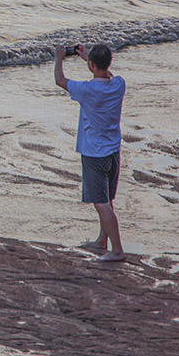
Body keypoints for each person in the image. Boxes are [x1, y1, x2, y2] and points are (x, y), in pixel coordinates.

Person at [54, 43, 126, 262]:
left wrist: (59, 58)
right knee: (107, 199)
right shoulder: (119, 84)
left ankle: (117, 250)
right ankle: (102, 241)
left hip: (95, 153)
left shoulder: (87, 90)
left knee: (101, 203)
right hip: (113, 151)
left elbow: (60, 80)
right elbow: (109, 76)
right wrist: (90, 59)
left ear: (92, 65)